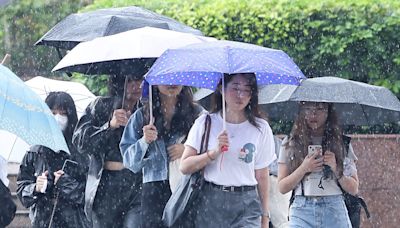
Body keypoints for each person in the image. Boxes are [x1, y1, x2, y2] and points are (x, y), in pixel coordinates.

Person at [180, 73, 276, 228]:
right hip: (211, 200)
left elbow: (262, 175)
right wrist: (213, 153)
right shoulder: (205, 122)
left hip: (248, 203)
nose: (241, 95)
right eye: (235, 88)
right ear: (221, 88)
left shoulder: (261, 128)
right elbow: (184, 166)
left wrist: (265, 215)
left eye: (247, 89)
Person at [120, 84, 203, 228]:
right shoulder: (142, 116)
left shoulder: (197, 113)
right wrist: (144, 141)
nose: (172, 83)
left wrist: (187, 150)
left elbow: (212, 148)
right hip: (153, 187)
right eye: (164, 79)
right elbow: (130, 162)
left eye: (177, 77)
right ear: (154, 82)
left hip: (186, 185)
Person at [73, 74, 143, 228]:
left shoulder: (147, 110)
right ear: (119, 82)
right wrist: (109, 126)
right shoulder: (100, 106)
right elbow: (81, 142)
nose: (136, 85)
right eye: (130, 80)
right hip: (106, 186)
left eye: (139, 79)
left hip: (137, 184)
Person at [277, 102, 359, 228]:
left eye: (320, 108)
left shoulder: (341, 143)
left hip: (334, 207)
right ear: (301, 111)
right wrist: (304, 168)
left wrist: (336, 169)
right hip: (302, 208)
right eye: (308, 108)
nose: (313, 114)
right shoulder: (291, 142)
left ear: (328, 112)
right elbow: (282, 187)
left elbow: (353, 188)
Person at [16, 91, 90, 228]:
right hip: (43, 221)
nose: (57, 118)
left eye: (62, 113)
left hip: (74, 222)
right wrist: (35, 188)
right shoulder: (35, 152)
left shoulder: (81, 151)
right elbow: (22, 189)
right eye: (53, 113)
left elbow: (90, 194)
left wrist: (67, 184)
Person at [268, 136, 290, 228]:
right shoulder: (277, 141)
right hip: (272, 180)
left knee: (281, 222)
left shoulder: (275, 141)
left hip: (274, 181)